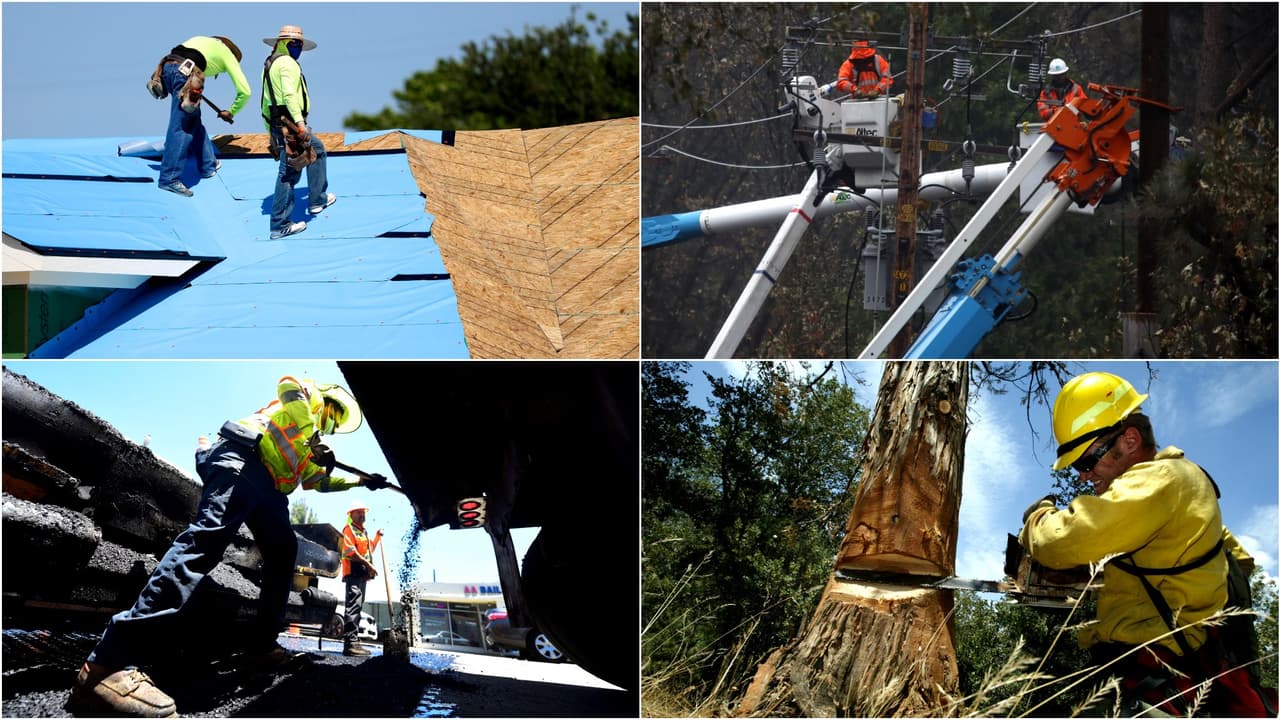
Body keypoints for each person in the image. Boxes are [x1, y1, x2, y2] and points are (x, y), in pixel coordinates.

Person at [69, 377, 392, 717]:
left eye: (335, 424)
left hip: (270, 489)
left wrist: (360, 481)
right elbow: (288, 387)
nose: (332, 424)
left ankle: (262, 647)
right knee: (206, 541)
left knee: (283, 554)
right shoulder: (307, 398)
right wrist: (313, 437)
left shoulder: (314, 446)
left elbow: (316, 481)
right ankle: (107, 665)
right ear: (327, 405)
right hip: (243, 459)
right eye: (333, 416)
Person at [1019, 371, 1276, 717]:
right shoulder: (1172, 493)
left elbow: (1058, 540)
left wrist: (1038, 518)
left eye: (1086, 461)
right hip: (1168, 674)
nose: (1082, 475)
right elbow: (1235, 561)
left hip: (1157, 679)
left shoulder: (1162, 479)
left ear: (1129, 440)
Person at [147, 35, 251, 197]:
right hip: (184, 75)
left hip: (166, 69)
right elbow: (245, 91)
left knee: (193, 119)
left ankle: (208, 165)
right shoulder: (227, 55)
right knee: (182, 127)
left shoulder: (203, 41)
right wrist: (232, 111)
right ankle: (169, 178)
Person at [261, 25, 336, 240]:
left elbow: (265, 102)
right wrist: (300, 124)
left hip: (279, 123)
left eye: (300, 44)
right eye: (294, 43)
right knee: (289, 173)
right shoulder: (287, 63)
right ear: (283, 43)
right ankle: (280, 224)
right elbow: (289, 95)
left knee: (316, 150)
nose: (298, 47)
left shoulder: (270, 63)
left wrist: (270, 131)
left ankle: (317, 200)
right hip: (290, 124)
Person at [340, 502, 383, 656]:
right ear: (351, 515)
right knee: (353, 607)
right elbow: (350, 552)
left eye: (363, 512)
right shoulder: (349, 530)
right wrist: (369, 566)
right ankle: (350, 644)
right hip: (353, 573)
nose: (362, 514)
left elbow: (369, 550)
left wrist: (377, 537)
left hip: (362, 575)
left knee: (357, 608)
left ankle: (354, 642)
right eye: (358, 512)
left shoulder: (362, 532)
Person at [1037, 57, 1087, 122]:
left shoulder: (1076, 88)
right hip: (1054, 125)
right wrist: (1055, 111)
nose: (1059, 77)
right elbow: (1043, 113)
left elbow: (1085, 107)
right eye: (1056, 75)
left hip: (1074, 124)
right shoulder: (1046, 92)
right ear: (1052, 75)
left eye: (1061, 74)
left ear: (1065, 73)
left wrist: (1070, 109)